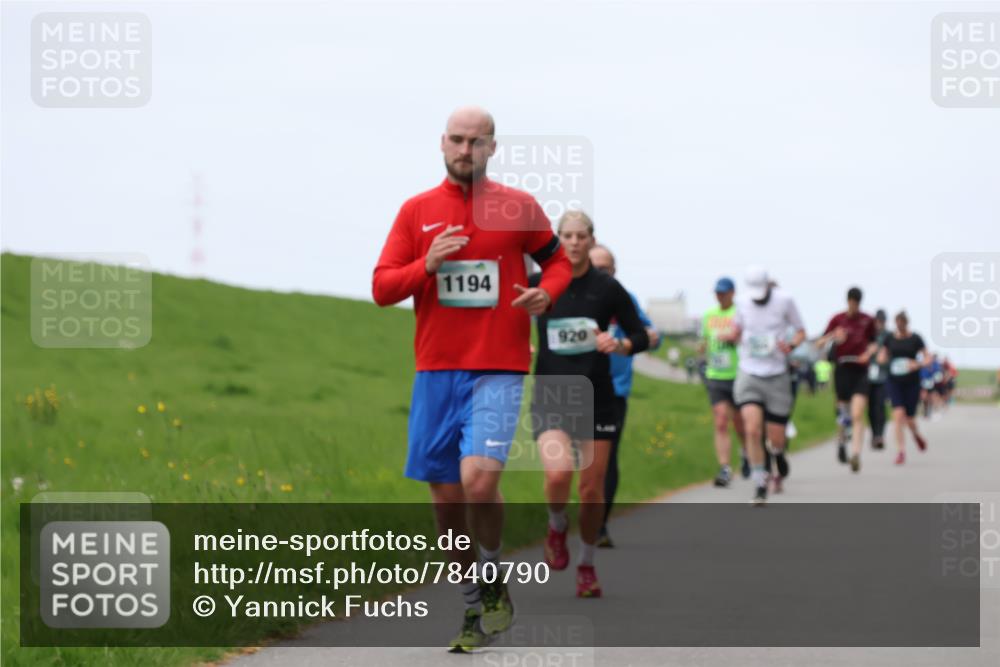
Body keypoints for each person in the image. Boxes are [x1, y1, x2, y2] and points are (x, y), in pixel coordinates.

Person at [372, 106, 572, 652]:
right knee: (446, 503)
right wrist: (427, 266)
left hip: (498, 368)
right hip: (436, 372)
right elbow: (383, 287)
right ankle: (472, 604)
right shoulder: (417, 212)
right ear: (442, 144)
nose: (466, 150)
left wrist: (546, 293)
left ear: (492, 147)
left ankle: (489, 571)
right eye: (457, 140)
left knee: (479, 481)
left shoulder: (518, 207)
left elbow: (558, 263)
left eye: (476, 141)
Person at [530, 211, 649, 597]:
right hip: (552, 392)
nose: (575, 242)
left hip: (598, 395)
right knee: (558, 474)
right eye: (567, 235)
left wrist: (621, 344)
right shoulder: (540, 283)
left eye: (582, 236)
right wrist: (519, 344)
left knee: (592, 488)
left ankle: (586, 563)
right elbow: (503, 319)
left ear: (592, 239)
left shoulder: (609, 288)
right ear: (558, 239)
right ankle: (556, 524)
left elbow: (640, 333)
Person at [588, 244, 661, 548]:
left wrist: (649, 337)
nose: (599, 274)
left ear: (614, 271)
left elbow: (649, 334)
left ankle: (599, 525)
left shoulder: (622, 297)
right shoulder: (571, 293)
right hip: (570, 388)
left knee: (605, 460)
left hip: (613, 391)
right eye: (594, 267)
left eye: (604, 269)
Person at [722, 266, 806, 506]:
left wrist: (791, 345)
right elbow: (737, 329)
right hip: (749, 372)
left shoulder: (785, 300)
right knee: (752, 429)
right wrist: (730, 336)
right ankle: (760, 483)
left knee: (775, 438)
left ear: (769, 285)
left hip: (777, 374)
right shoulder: (742, 303)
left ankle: (778, 455)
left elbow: (801, 331)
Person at [815, 287, 877, 473]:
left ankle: (856, 454)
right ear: (847, 301)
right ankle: (841, 440)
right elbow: (819, 343)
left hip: (860, 370)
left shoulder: (868, 320)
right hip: (842, 370)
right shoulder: (837, 319)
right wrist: (834, 336)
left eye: (857, 303)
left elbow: (874, 343)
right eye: (851, 302)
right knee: (843, 414)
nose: (854, 306)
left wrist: (868, 353)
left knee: (858, 413)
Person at [698, 276, 748, 487]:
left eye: (724, 292)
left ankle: (746, 452)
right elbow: (704, 340)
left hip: (738, 374)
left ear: (732, 293)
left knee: (739, 423)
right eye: (717, 292)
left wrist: (734, 338)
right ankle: (725, 468)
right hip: (716, 375)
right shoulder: (709, 315)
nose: (720, 296)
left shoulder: (741, 313)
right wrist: (701, 349)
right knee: (720, 421)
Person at [877, 311, 929, 464]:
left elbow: (928, 357)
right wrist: (882, 359)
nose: (899, 327)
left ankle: (916, 435)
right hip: (894, 381)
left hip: (912, 382)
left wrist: (917, 364)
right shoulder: (890, 338)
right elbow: (882, 355)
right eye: (897, 324)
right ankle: (901, 451)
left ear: (906, 323)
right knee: (898, 415)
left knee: (910, 418)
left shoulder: (916, 339)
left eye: (902, 324)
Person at [866, 309, 890, 450]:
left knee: (880, 407)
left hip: (883, 377)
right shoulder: (869, 335)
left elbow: (891, 357)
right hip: (869, 376)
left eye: (882, 321)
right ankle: (874, 435)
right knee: (870, 408)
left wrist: (884, 359)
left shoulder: (888, 336)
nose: (879, 324)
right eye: (877, 321)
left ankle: (880, 435)